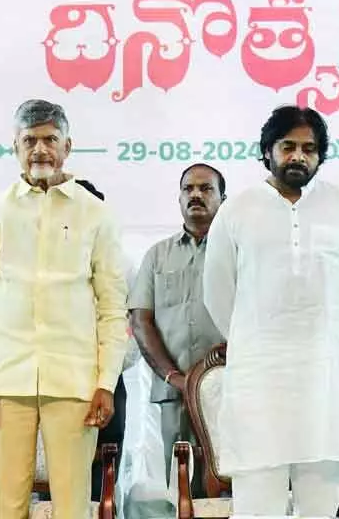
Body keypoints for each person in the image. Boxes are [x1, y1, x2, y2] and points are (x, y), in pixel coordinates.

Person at [201, 104, 339, 516]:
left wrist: (324, 334)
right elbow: (218, 292)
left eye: (309, 148)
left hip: (324, 377)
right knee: (257, 502)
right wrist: (256, 335)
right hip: (260, 378)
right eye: (288, 146)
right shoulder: (237, 210)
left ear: (320, 156)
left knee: (320, 501)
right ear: (268, 151)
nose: (298, 156)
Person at [0, 99, 129, 519]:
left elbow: (112, 305)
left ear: (67, 146)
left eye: (50, 140)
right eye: (30, 140)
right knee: (6, 505)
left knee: (73, 505)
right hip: (6, 378)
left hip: (74, 380)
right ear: (14, 147)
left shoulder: (97, 213)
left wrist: (106, 381)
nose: (40, 150)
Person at [129, 164, 227, 495]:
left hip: (231, 389)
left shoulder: (238, 251)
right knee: (184, 488)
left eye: (206, 188)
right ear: (180, 197)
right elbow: (141, 321)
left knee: (235, 483)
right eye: (188, 189)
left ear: (222, 198)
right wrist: (174, 376)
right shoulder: (157, 255)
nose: (196, 195)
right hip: (175, 392)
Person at [73, 178, 131, 503]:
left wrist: (107, 367)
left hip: (107, 383)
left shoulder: (124, 265)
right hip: (55, 379)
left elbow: (132, 328)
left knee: (103, 477)